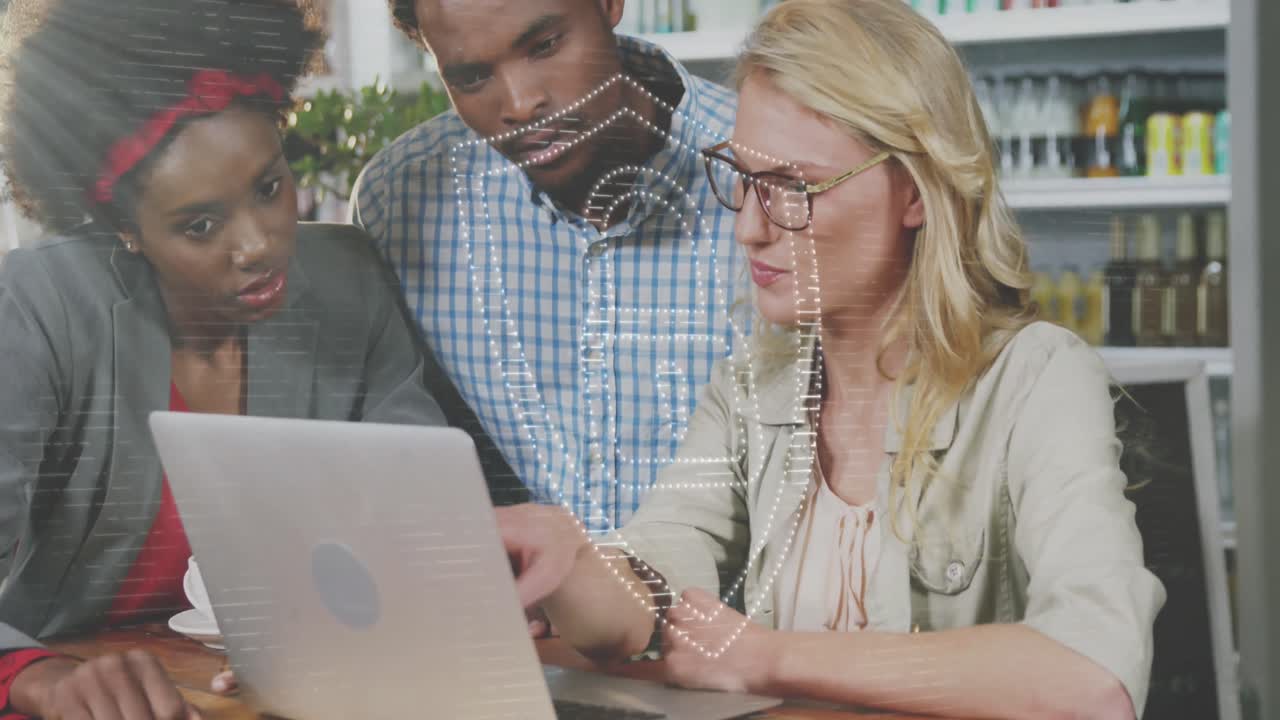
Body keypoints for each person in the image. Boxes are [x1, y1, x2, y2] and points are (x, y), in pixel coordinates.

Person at [495, 1, 1166, 718]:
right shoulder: (754, 387)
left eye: (793, 188)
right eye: (744, 179)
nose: (750, 228)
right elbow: (658, 574)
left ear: (913, 191)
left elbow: (1093, 679)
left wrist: (765, 658)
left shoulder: (1037, 378)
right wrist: (566, 563)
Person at [0, 0, 446, 716]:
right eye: (199, 225)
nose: (259, 245)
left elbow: (425, 507)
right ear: (126, 228)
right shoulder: (40, 307)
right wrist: (37, 677)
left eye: (270, 188)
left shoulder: (349, 283)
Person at [352, 0, 746, 532]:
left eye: (544, 46)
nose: (520, 104)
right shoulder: (400, 203)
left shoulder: (766, 172)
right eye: (470, 76)